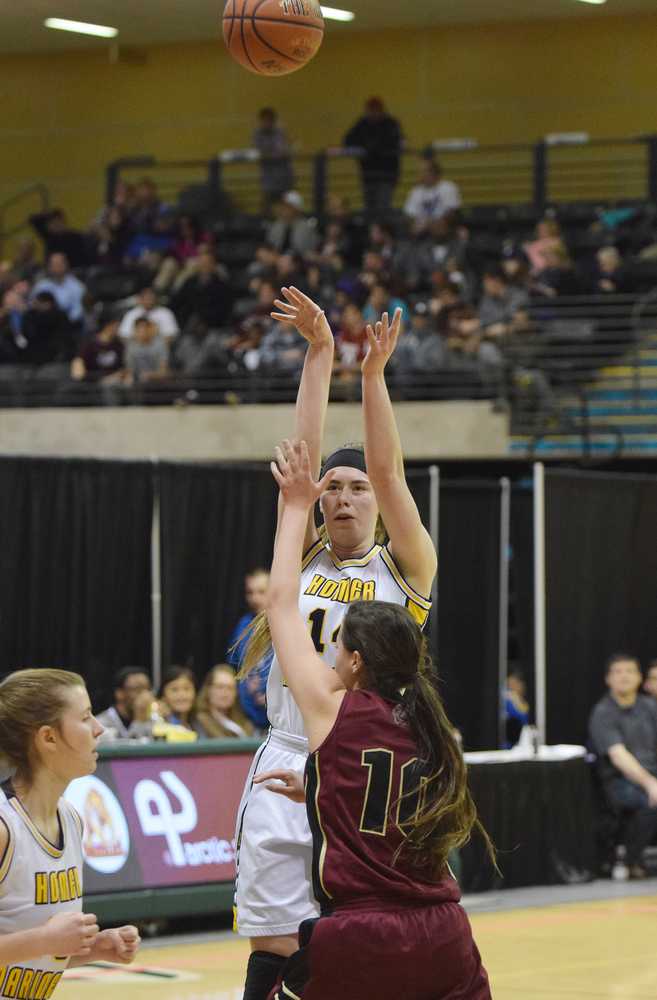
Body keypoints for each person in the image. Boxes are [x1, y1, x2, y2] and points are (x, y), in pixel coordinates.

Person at [234, 294, 437, 1000]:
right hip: (288, 749)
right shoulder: (304, 556)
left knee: (348, 937)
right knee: (274, 939)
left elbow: (389, 473)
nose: (343, 497)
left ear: (377, 506)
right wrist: (318, 354)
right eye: (332, 489)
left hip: (360, 760)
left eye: (356, 489)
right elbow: (301, 459)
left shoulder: (403, 570)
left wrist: (372, 375)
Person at [252, 439, 491, 1000]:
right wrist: (316, 787)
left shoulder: (331, 716)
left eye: (338, 648)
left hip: (363, 932)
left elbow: (281, 603)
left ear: (353, 660)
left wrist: (292, 507)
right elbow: (373, 794)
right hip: (446, 932)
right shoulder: (430, 731)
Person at [0, 668, 140, 995]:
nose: (99, 728)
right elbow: (36, 941)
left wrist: (95, 949)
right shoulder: (4, 828)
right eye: (86, 717)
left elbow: (24, 957)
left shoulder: (71, 819)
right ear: (48, 737)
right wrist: (45, 940)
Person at [589, 654, 657, 879]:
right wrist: (650, 783)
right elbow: (618, 756)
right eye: (617, 672)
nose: (624, 676)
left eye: (629, 671)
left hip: (652, 774)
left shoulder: (649, 707)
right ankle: (629, 860)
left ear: (640, 678)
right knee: (650, 802)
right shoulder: (603, 713)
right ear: (608, 679)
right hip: (620, 780)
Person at [227, 569, 273, 734]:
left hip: (279, 720)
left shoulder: (286, 624)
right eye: (250, 592)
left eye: (261, 592)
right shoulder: (243, 625)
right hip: (247, 717)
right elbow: (233, 665)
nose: (254, 598)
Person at [343, 98, 403, 219]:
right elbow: (347, 140)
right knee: (369, 208)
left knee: (383, 207)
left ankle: (384, 233)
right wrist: (362, 149)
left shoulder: (390, 124)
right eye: (370, 111)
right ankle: (372, 234)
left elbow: (392, 142)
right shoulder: (362, 124)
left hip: (387, 174)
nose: (373, 114)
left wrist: (367, 148)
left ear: (381, 111)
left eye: (376, 111)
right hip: (368, 175)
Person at [96, 666, 154, 740]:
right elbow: (130, 750)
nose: (145, 696)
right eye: (137, 689)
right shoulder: (101, 723)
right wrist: (139, 721)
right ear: (119, 693)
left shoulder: (152, 719)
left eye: (148, 689)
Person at [196, 665, 254, 739]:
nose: (225, 693)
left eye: (230, 688)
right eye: (220, 687)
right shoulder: (198, 722)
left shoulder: (244, 723)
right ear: (208, 690)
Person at [253, 108, 295, 210]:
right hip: (269, 179)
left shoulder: (279, 132)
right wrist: (272, 154)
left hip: (284, 176)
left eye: (269, 120)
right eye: (264, 120)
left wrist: (272, 154)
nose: (266, 123)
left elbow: (283, 151)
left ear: (273, 121)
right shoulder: (257, 134)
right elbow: (259, 153)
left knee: (288, 205)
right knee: (267, 206)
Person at [404, 159, 462, 232]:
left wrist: (436, 223)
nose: (421, 175)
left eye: (424, 172)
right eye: (421, 172)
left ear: (434, 173)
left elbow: (452, 212)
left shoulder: (448, 187)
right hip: (421, 227)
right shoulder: (416, 191)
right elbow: (409, 214)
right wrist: (415, 224)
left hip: (443, 226)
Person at [31, 253, 87, 326]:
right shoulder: (41, 286)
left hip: (67, 327)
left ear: (66, 265)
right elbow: (32, 305)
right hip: (42, 326)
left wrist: (64, 323)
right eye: (53, 264)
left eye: (59, 264)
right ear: (48, 267)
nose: (56, 267)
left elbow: (78, 311)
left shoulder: (77, 287)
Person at [158, 666, 205, 736]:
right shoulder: (157, 724)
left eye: (187, 689)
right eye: (174, 690)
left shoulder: (200, 723)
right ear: (163, 696)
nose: (181, 695)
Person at [504, 669, 531, 748]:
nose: (511, 688)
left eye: (513, 684)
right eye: (509, 685)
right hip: (508, 743)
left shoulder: (521, 700)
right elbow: (519, 715)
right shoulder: (508, 699)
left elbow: (524, 718)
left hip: (520, 742)